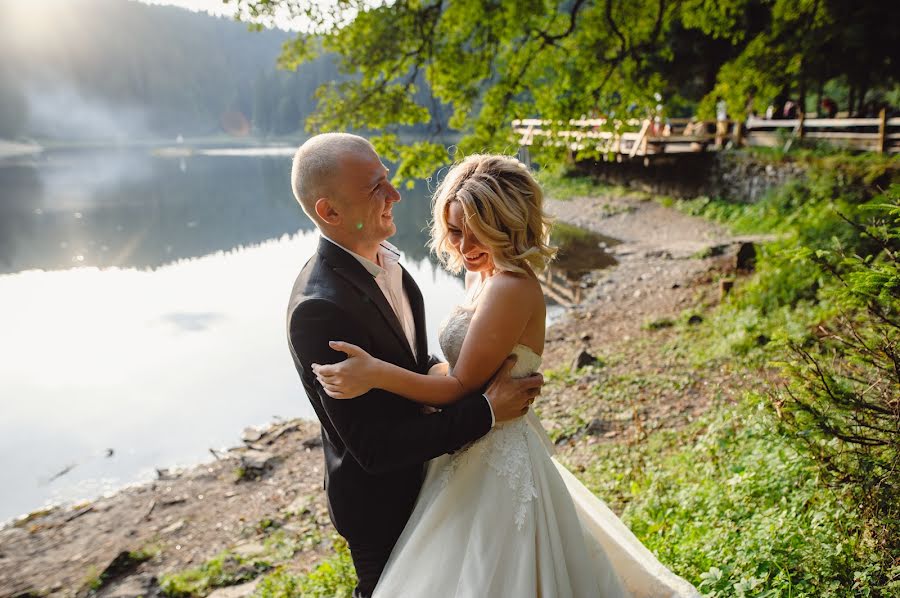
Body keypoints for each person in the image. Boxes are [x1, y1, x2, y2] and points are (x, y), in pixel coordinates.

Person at [314, 154, 700, 597]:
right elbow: (459, 370)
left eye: (481, 231)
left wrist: (376, 374)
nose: (465, 246)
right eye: (456, 230)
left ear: (510, 224)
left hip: (497, 452)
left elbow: (458, 388)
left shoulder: (511, 287)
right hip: (470, 446)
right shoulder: (482, 276)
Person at [286, 134, 544, 598]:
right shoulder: (319, 308)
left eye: (387, 179)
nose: (395, 195)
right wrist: (486, 410)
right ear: (330, 212)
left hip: (445, 476)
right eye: (375, 187)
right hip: (382, 505)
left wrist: (461, 384)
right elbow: (375, 448)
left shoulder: (390, 265)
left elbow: (418, 362)